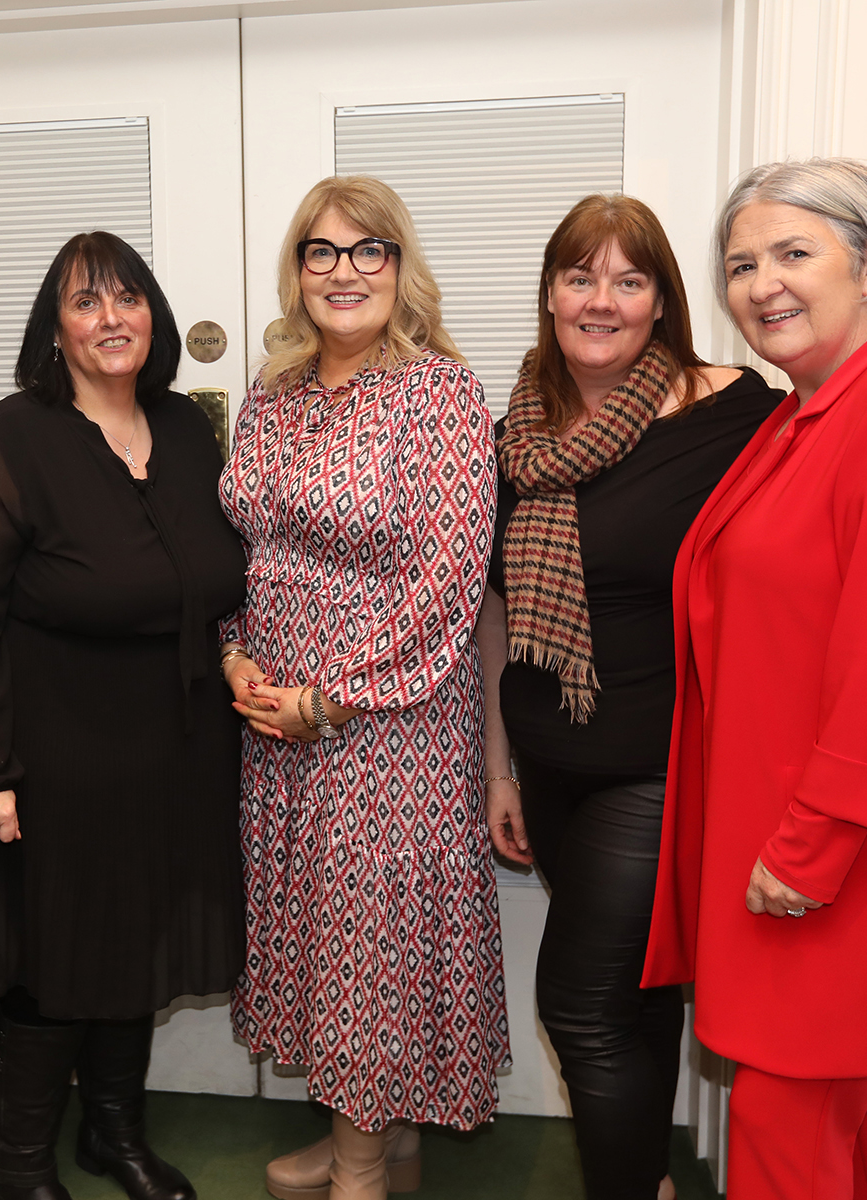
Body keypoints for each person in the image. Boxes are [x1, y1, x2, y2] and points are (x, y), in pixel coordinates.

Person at [642, 158, 867, 1198]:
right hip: (795, 841)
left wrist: (813, 846)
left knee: (787, 1127)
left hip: (833, 859)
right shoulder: (802, 413)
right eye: (741, 265)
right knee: (866, 1119)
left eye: (792, 253)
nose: (761, 284)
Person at [0, 231, 246, 1200]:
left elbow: (214, 579)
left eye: (128, 297)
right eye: (85, 301)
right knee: (54, 956)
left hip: (176, 749)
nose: (112, 318)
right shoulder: (5, 440)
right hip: (50, 758)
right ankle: (18, 1165)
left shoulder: (185, 428)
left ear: (154, 316)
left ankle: (114, 1135)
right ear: (54, 330)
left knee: (136, 942)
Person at [476, 194, 783, 1200]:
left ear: (662, 301)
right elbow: (496, 609)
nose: (600, 301)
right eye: (580, 277)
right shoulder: (512, 434)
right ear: (549, 295)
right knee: (640, 997)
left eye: (629, 279)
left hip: (658, 767)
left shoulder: (734, 413)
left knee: (580, 1006)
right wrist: (499, 769)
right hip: (548, 763)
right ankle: (646, 1178)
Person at [218, 175, 505, 1200]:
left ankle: (360, 1169)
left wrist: (332, 697)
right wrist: (235, 657)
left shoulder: (442, 393)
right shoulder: (272, 394)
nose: (345, 271)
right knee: (318, 929)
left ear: (400, 265)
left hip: (389, 718)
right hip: (275, 711)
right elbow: (240, 550)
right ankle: (384, 1137)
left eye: (368, 249)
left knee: (370, 940)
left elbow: (451, 577)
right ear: (297, 272)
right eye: (322, 251)